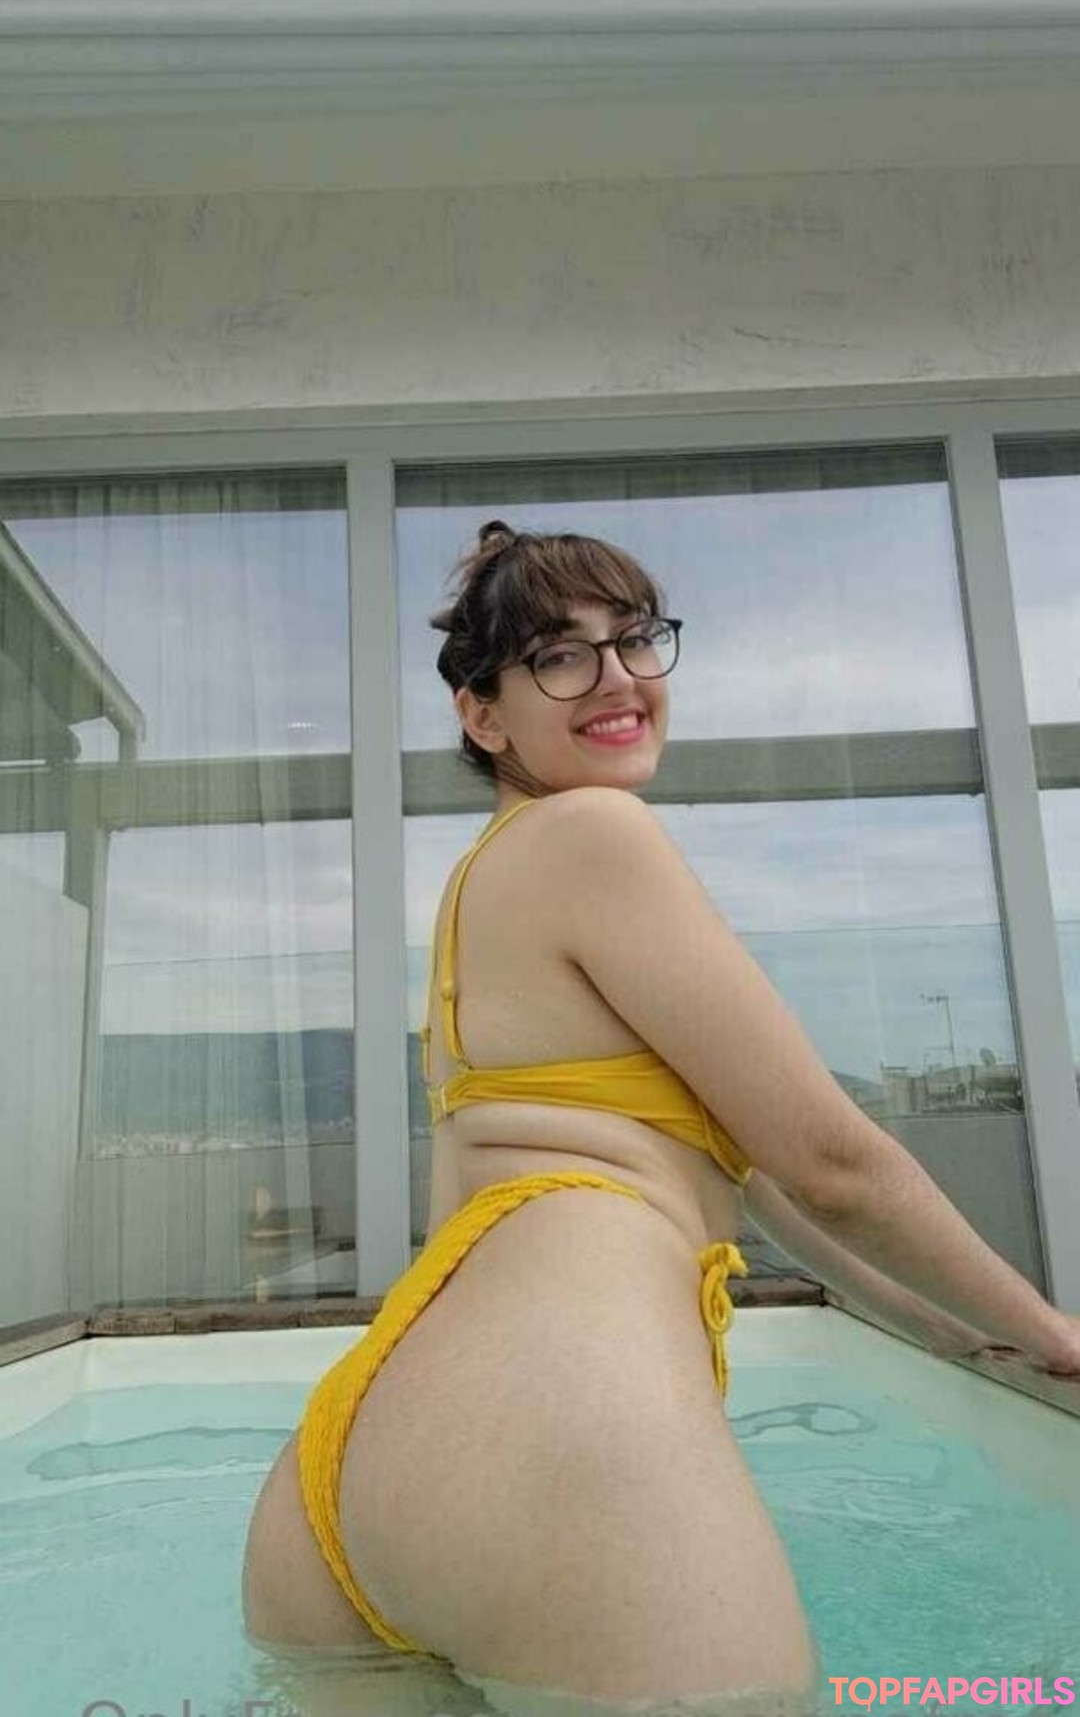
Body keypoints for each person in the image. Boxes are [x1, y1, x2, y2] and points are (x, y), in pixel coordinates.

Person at [243, 521, 1080, 1717]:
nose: (618, 677)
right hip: (559, 1428)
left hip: (351, 1466)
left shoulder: (486, 880)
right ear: (484, 716)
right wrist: (1054, 1332)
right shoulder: (593, 832)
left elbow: (772, 1191)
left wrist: (956, 1336)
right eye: (559, 655)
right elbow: (831, 1161)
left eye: (634, 639)